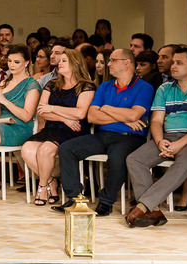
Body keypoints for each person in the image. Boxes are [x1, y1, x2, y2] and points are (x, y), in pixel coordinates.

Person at [125, 48, 187, 228]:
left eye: (179, 63)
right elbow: (156, 121)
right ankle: (154, 211)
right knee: (135, 159)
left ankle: (143, 206)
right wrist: (160, 141)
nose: (173, 66)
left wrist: (179, 144)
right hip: (167, 137)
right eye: (173, 62)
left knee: (183, 163)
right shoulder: (164, 88)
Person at [54, 48, 153, 216]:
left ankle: (106, 202)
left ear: (127, 63)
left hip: (129, 138)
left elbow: (134, 114)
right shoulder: (105, 86)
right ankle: (74, 199)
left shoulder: (144, 87)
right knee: (66, 148)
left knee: (117, 157)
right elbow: (92, 116)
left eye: (113, 60)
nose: (108, 64)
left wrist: (106, 109)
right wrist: (124, 117)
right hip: (103, 135)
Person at [21, 48, 95, 206]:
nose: (59, 63)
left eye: (63, 61)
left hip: (74, 130)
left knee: (45, 149)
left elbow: (80, 113)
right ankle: (51, 182)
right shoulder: (52, 84)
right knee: (26, 149)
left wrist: (53, 108)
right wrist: (64, 118)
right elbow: (41, 110)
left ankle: (42, 187)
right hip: (53, 128)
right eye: (59, 60)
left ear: (75, 64)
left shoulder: (86, 86)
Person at [0, 45, 41, 197]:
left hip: (20, 128)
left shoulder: (32, 85)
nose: (11, 65)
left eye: (16, 62)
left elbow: (27, 116)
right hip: (0, 124)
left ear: (26, 63)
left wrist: (4, 100)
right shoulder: (3, 83)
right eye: (10, 61)